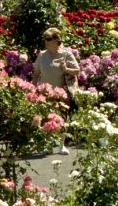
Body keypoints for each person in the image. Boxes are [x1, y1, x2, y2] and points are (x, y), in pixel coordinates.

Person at [32, 27, 80, 155]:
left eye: (48, 39)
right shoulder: (42, 55)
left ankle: (61, 145)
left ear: (57, 40)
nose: (45, 42)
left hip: (61, 93)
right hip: (45, 93)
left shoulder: (66, 54)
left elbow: (77, 71)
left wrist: (66, 69)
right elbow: (36, 73)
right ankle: (46, 144)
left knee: (61, 119)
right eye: (45, 39)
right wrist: (33, 88)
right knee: (45, 119)